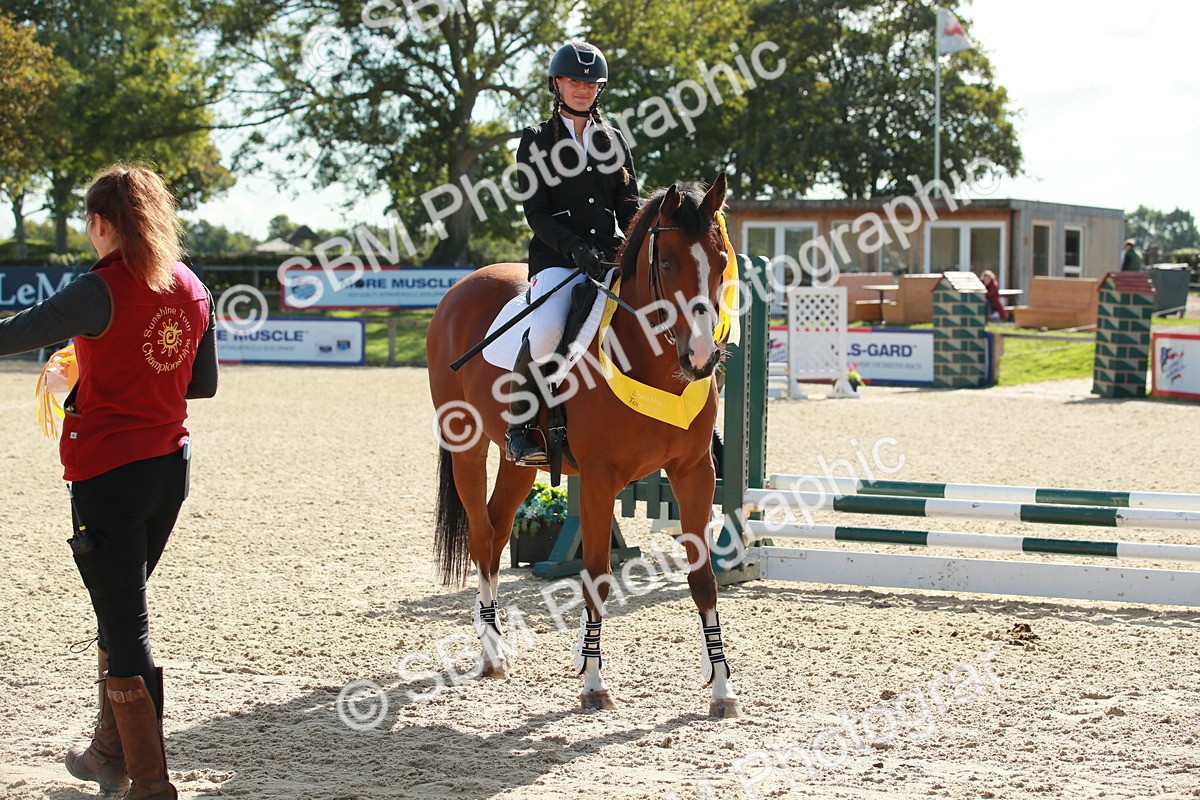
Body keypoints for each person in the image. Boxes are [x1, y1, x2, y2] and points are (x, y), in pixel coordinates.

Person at [0, 164, 217, 799]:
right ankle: (106, 751)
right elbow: (200, 384)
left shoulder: (100, 288)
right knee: (120, 608)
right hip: (168, 469)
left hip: (107, 473)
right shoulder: (191, 284)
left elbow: (14, 335)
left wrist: (81, 382)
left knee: (126, 628)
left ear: (101, 223)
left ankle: (150, 782)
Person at [504, 40, 641, 466]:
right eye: (574, 81)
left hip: (606, 258)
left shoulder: (613, 140)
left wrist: (634, 241)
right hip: (557, 260)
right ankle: (519, 426)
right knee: (546, 332)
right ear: (557, 84)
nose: (583, 89)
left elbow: (629, 206)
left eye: (591, 83)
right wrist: (573, 247)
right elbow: (536, 212)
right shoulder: (535, 141)